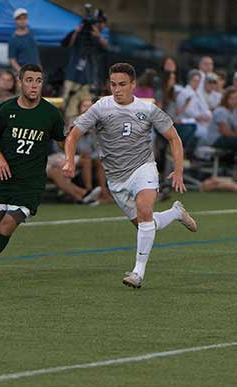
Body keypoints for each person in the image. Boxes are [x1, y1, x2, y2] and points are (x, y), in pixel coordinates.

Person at [63, 62, 198, 289]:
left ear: (133, 85)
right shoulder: (100, 107)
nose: (117, 89)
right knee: (147, 224)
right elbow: (74, 135)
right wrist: (69, 160)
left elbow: (174, 138)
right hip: (116, 179)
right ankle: (175, 213)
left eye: (122, 84)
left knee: (145, 212)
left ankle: (138, 272)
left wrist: (178, 169)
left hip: (143, 168)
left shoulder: (147, 109)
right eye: (113, 84)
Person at [0, 64, 66, 284]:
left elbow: (63, 140)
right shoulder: (5, 109)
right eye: (29, 80)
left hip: (30, 184)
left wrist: (72, 158)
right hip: (3, 179)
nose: (34, 85)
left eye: (38, 80)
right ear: (20, 82)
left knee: (7, 224)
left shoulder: (50, 114)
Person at [61, 8, 108, 123]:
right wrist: (77, 32)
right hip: (73, 77)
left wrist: (98, 36)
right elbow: (66, 44)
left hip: (89, 79)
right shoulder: (78, 34)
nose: (97, 26)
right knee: (70, 112)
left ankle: (86, 138)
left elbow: (106, 48)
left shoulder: (97, 38)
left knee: (88, 113)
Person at [8, 8, 40, 73]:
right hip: (23, 73)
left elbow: (35, 53)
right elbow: (12, 60)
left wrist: (39, 67)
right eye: (19, 19)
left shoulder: (32, 33)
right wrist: (22, 72)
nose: (22, 21)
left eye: (24, 18)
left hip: (35, 71)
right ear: (15, 21)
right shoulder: (13, 39)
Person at [206, 87, 237, 154]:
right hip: (216, 139)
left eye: (235, 99)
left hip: (227, 138)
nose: (234, 101)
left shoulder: (234, 111)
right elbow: (225, 132)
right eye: (231, 98)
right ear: (225, 99)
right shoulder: (221, 111)